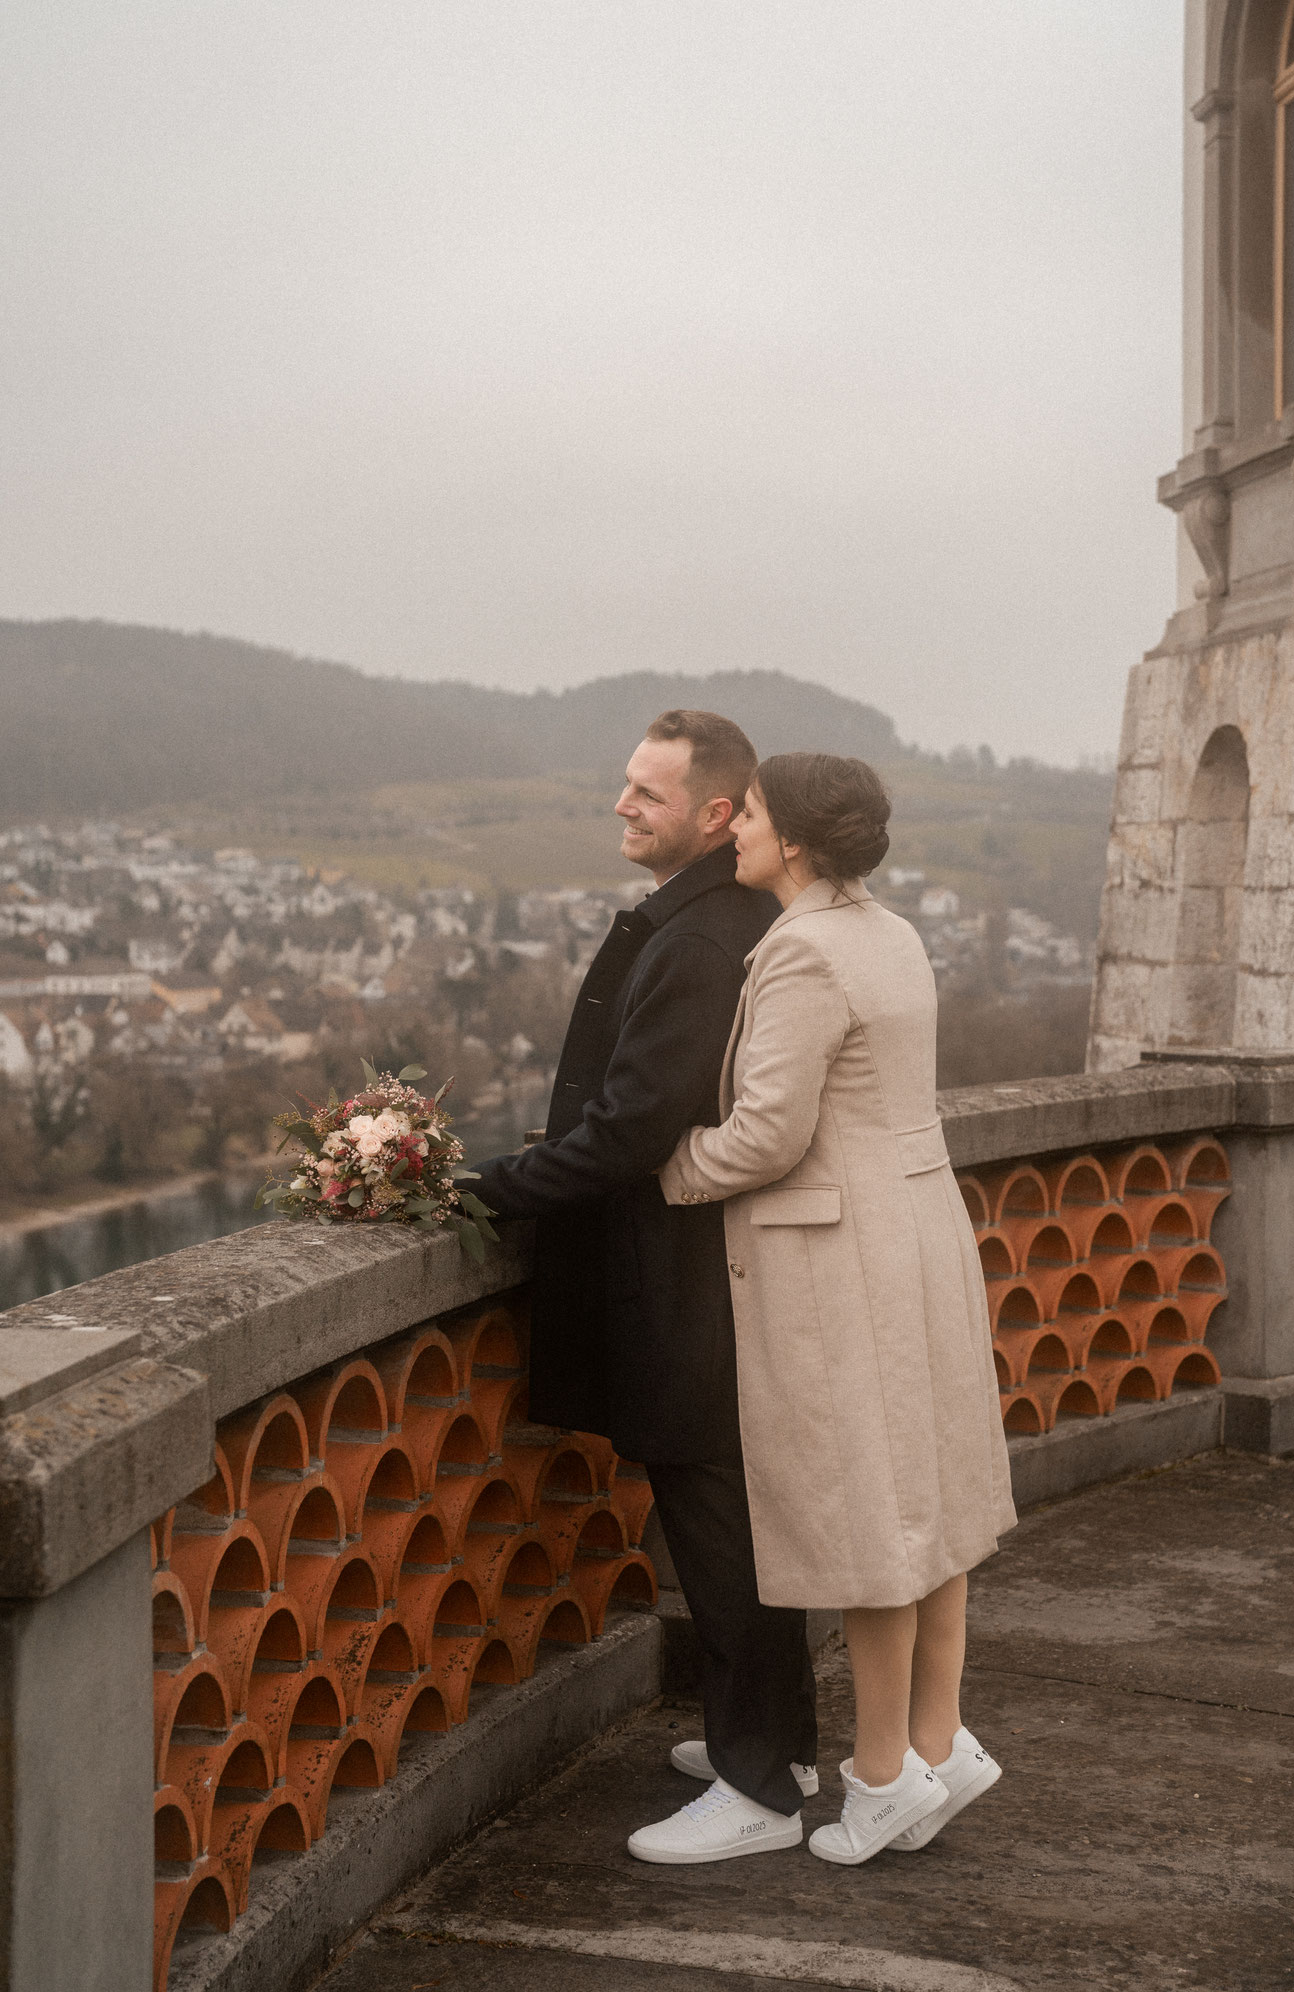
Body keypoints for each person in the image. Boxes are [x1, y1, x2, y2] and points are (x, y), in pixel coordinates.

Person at [465, 709, 822, 1852]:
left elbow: (633, 1130)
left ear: (714, 814)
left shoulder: (705, 937)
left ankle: (760, 1786)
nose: (622, 804)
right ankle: (779, 1742)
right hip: (702, 1265)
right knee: (732, 1517)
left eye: (647, 792)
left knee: (718, 1521)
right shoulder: (711, 916)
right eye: (625, 783)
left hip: (687, 1277)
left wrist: (485, 1186)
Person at [653, 751, 1017, 1867]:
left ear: (797, 838)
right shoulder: (891, 931)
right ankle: (936, 1742)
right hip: (916, 1232)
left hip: (838, 1253)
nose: (735, 831)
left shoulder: (801, 948)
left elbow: (768, 1132)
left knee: (869, 1518)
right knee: (932, 1504)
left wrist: (667, 1168)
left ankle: (875, 1776)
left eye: (751, 813)